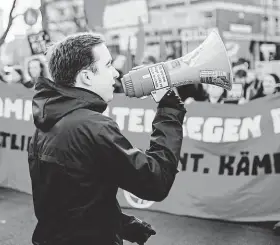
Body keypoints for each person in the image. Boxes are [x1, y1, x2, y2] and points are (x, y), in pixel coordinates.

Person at [28, 32, 187, 245]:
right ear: (86, 76)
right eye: (108, 65)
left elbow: (70, 200)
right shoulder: (93, 126)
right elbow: (155, 182)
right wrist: (170, 107)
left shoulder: (45, 122)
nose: (115, 73)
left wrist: (119, 224)